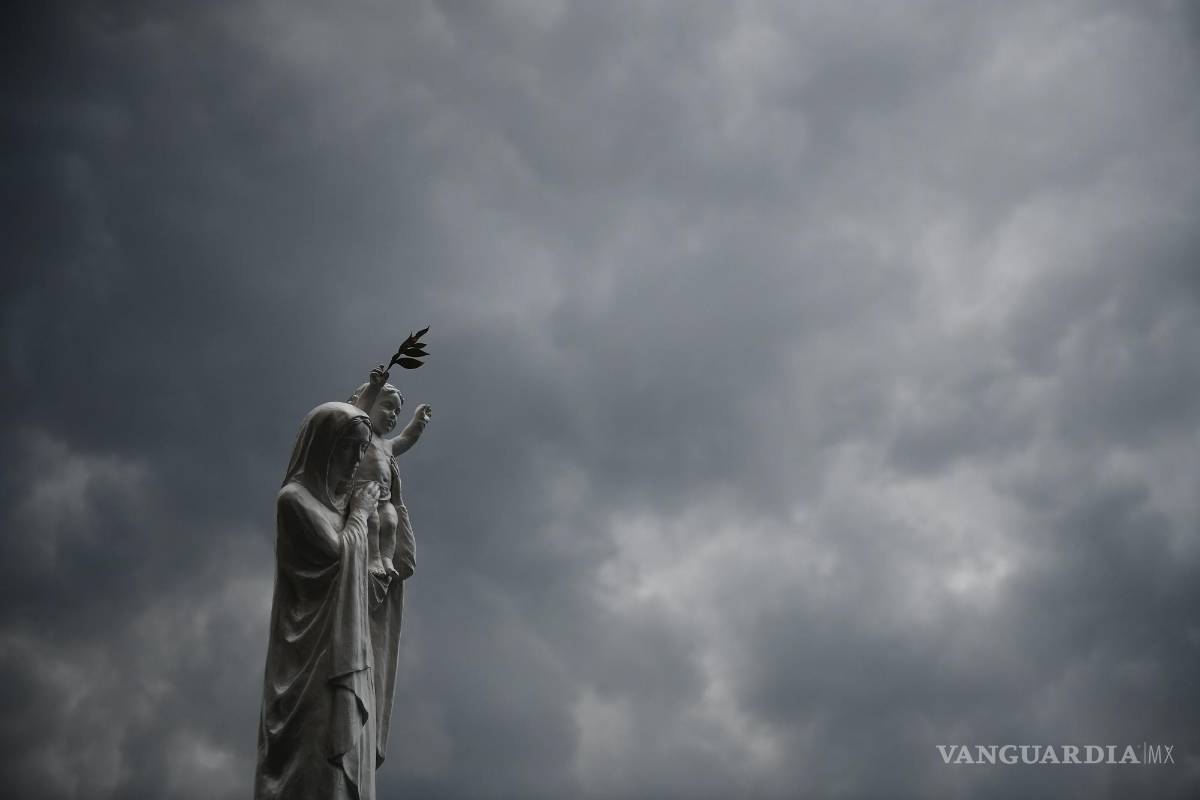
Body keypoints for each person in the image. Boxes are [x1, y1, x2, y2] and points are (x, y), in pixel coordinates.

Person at [255, 401, 386, 800]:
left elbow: (365, 571)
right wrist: (361, 515)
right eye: (350, 447)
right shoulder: (294, 501)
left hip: (348, 655)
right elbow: (336, 553)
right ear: (325, 446)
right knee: (312, 763)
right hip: (310, 664)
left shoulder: (342, 509)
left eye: (363, 449)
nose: (356, 459)